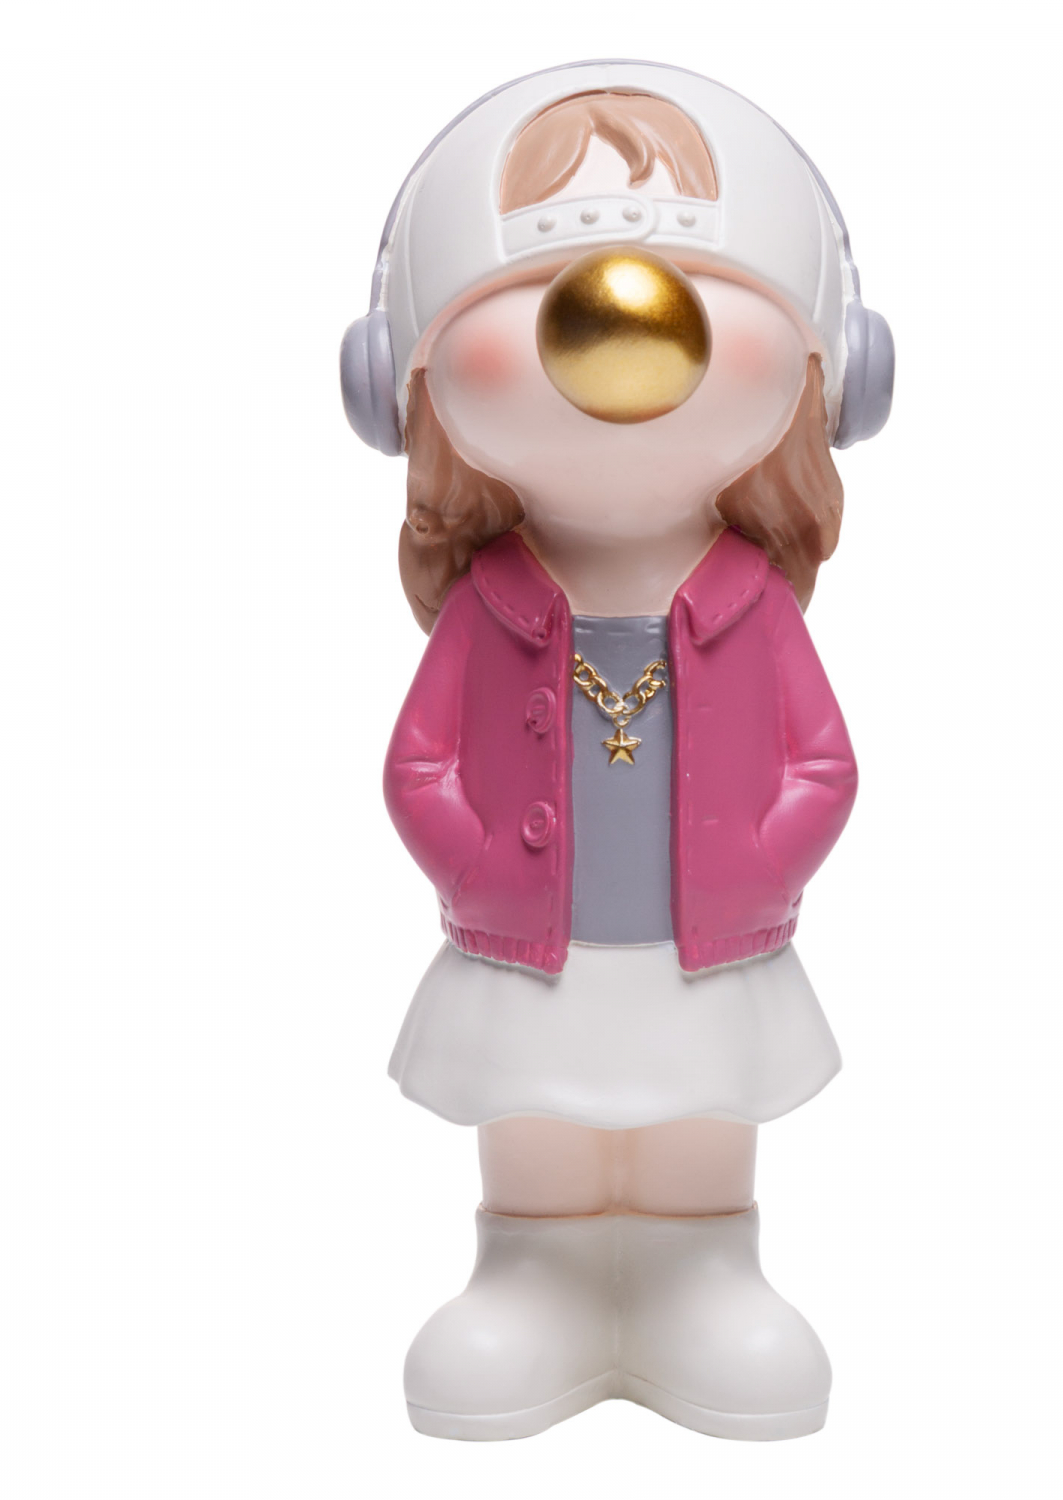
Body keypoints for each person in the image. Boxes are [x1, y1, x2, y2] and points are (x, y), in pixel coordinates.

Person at [340, 61, 894, 1440]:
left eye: (698, 282)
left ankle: (701, 1261)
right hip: (528, 945)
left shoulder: (748, 602)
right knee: (535, 1110)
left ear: (832, 370)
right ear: (400, 377)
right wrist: (471, 863)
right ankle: (534, 1264)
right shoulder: (495, 603)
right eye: (540, 285)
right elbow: (417, 766)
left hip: (711, 942)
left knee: (701, 1105)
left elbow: (825, 764)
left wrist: (766, 860)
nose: (620, 321)